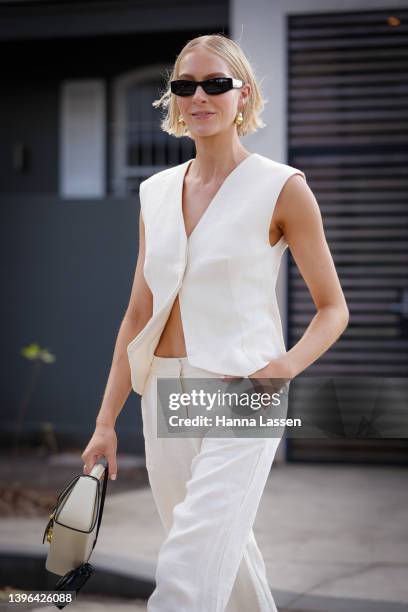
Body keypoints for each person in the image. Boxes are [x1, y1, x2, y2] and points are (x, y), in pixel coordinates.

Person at [81, 33, 349, 612]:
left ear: (241, 93)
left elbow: (334, 308)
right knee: (218, 553)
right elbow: (138, 313)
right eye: (185, 85)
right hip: (164, 394)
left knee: (188, 564)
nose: (198, 96)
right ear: (174, 97)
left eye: (215, 84)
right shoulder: (154, 192)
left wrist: (282, 369)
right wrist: (106, 422)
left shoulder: (282, 187)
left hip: (243, 391)